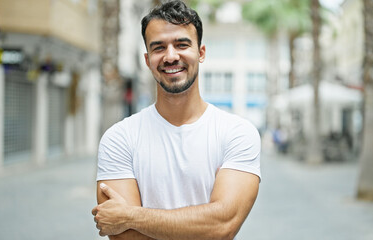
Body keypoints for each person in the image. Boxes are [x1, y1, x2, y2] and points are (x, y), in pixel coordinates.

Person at [91, 1, 261, 239]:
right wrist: (201, 222)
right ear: (147, 58)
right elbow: (124, 237)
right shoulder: (119, 138)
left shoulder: (237, 132)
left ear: (201, 53)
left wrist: (130, 216)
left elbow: (222, 226)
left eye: (182, 44)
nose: (171, 56)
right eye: (158, 48)